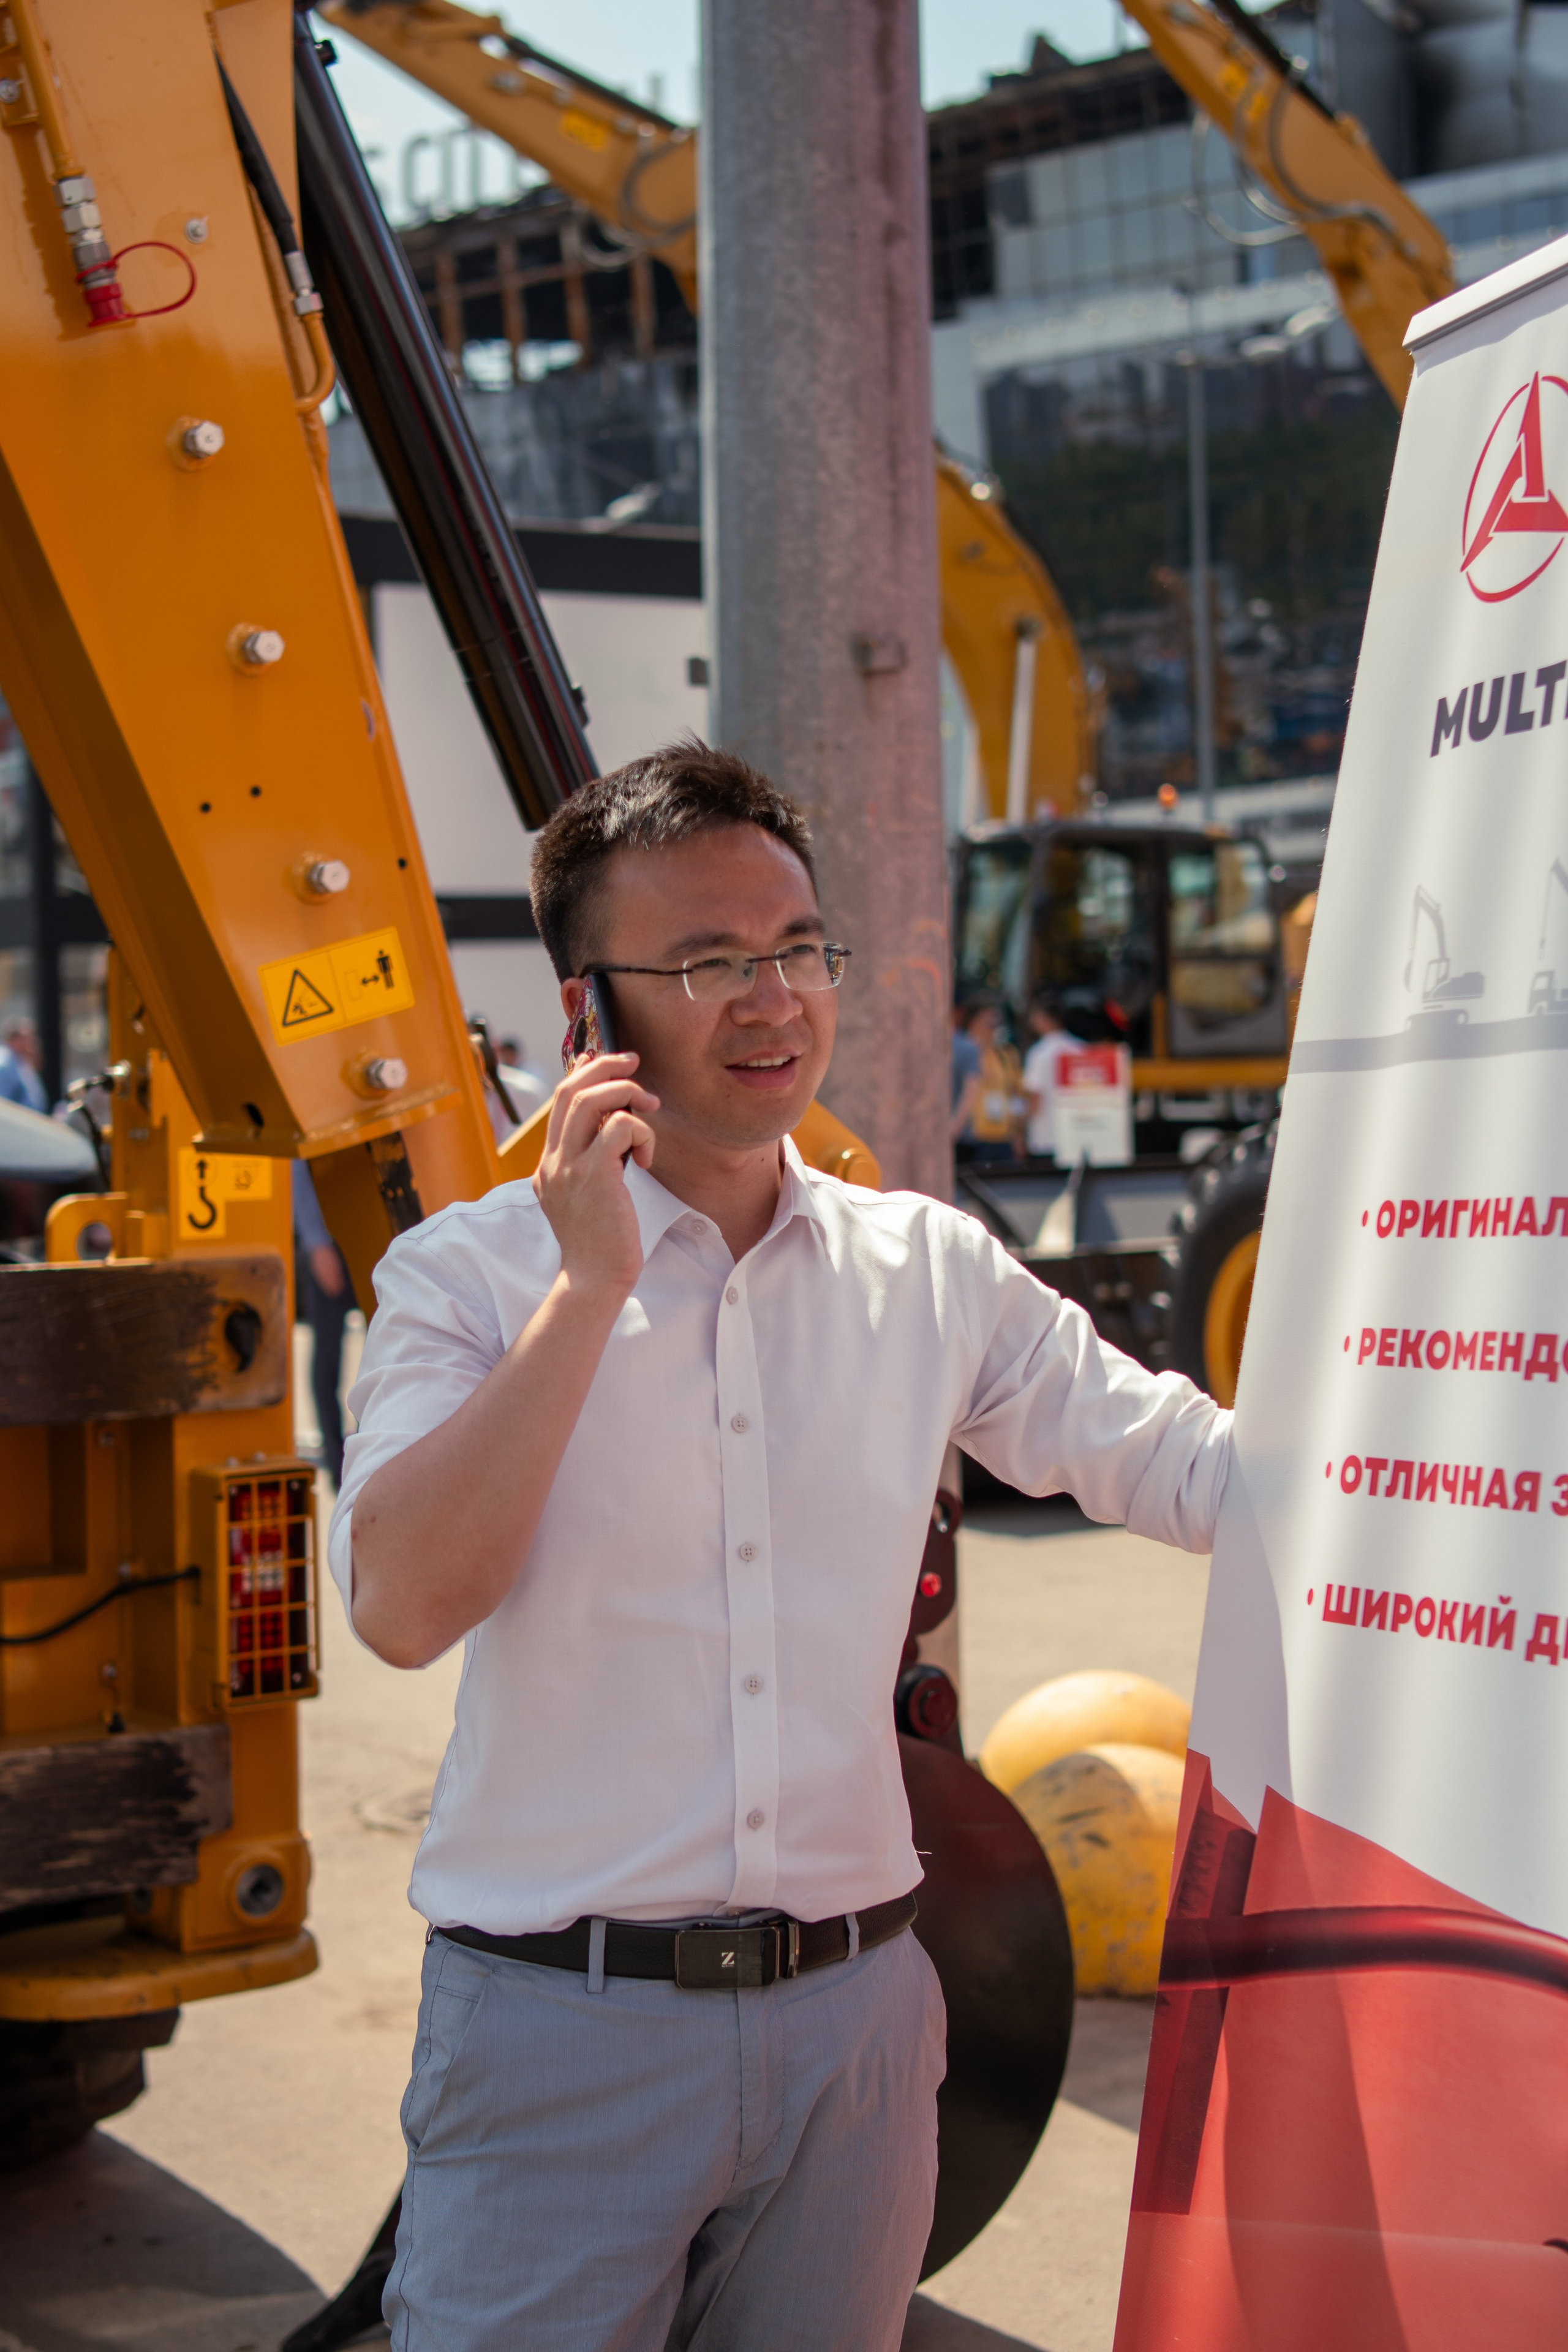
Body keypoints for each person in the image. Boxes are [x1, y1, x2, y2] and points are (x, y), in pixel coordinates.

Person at [330, 742, 1231, 2352]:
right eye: (708, 963)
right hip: (559, 2033)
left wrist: (1455, 1496)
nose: (774, 1001)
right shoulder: (466, 1283)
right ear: (588, 1020)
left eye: (798, 948)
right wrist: (588, 1285)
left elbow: (1171, 1457)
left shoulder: (928, 1273)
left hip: (860, 2032)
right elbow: (401, 1604)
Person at [292, 1159, 352, 1487]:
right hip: (330, 1242)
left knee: (387, 1350)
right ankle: (337, 1466)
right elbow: (298, 1167)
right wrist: (316, 1243)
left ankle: (367, 1456)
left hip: (374, 1229)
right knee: (328, 1355)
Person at [955, 999, 1024, 1164]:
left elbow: (1014, 1094)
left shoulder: (1005, 1054)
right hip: (974, 1136)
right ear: (973, 1021)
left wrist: (1018, 1134)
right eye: (988, 1020)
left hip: (1002, 1135)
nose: (993, 1025)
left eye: (996, 1021)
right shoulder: (963, 1051)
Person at [1022, 990, 1087, 1163]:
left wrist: (1019, 1129)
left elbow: (1036, 1099)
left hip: (1045, 1139)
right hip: (1077, 1137)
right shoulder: (1081, 1049)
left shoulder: (1039, 1053)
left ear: (1043, 1018)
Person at [0, 1017, 48, 1114]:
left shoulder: (20, 1062)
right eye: (28, 1038)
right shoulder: (4, 1065)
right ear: (16, 1040)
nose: (33, 1042)